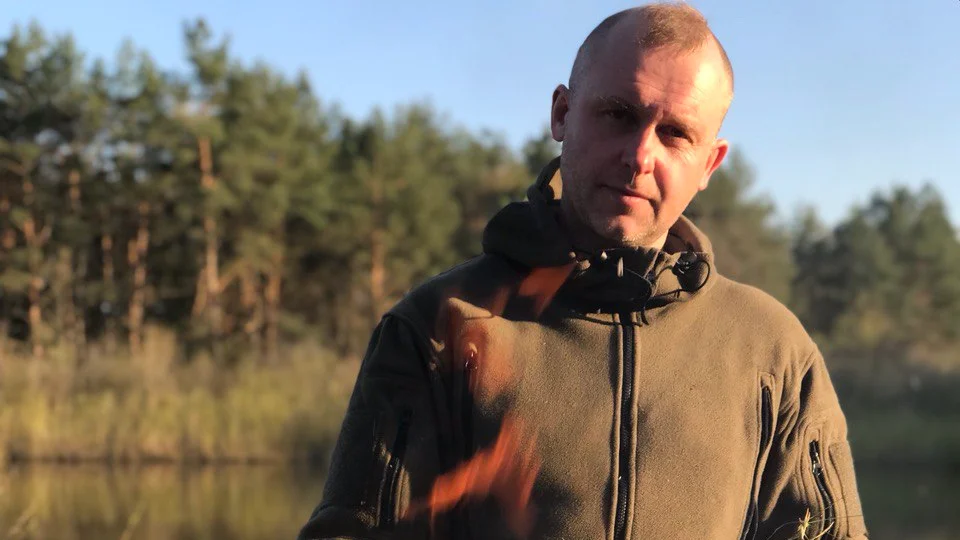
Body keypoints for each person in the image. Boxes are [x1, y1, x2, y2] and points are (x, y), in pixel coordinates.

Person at [298, 3, 868, 539]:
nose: (640, 156)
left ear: (709, 164)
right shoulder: (440, 327)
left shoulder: (773, 352)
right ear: (562, 114)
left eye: (675, 133)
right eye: (619, 114)